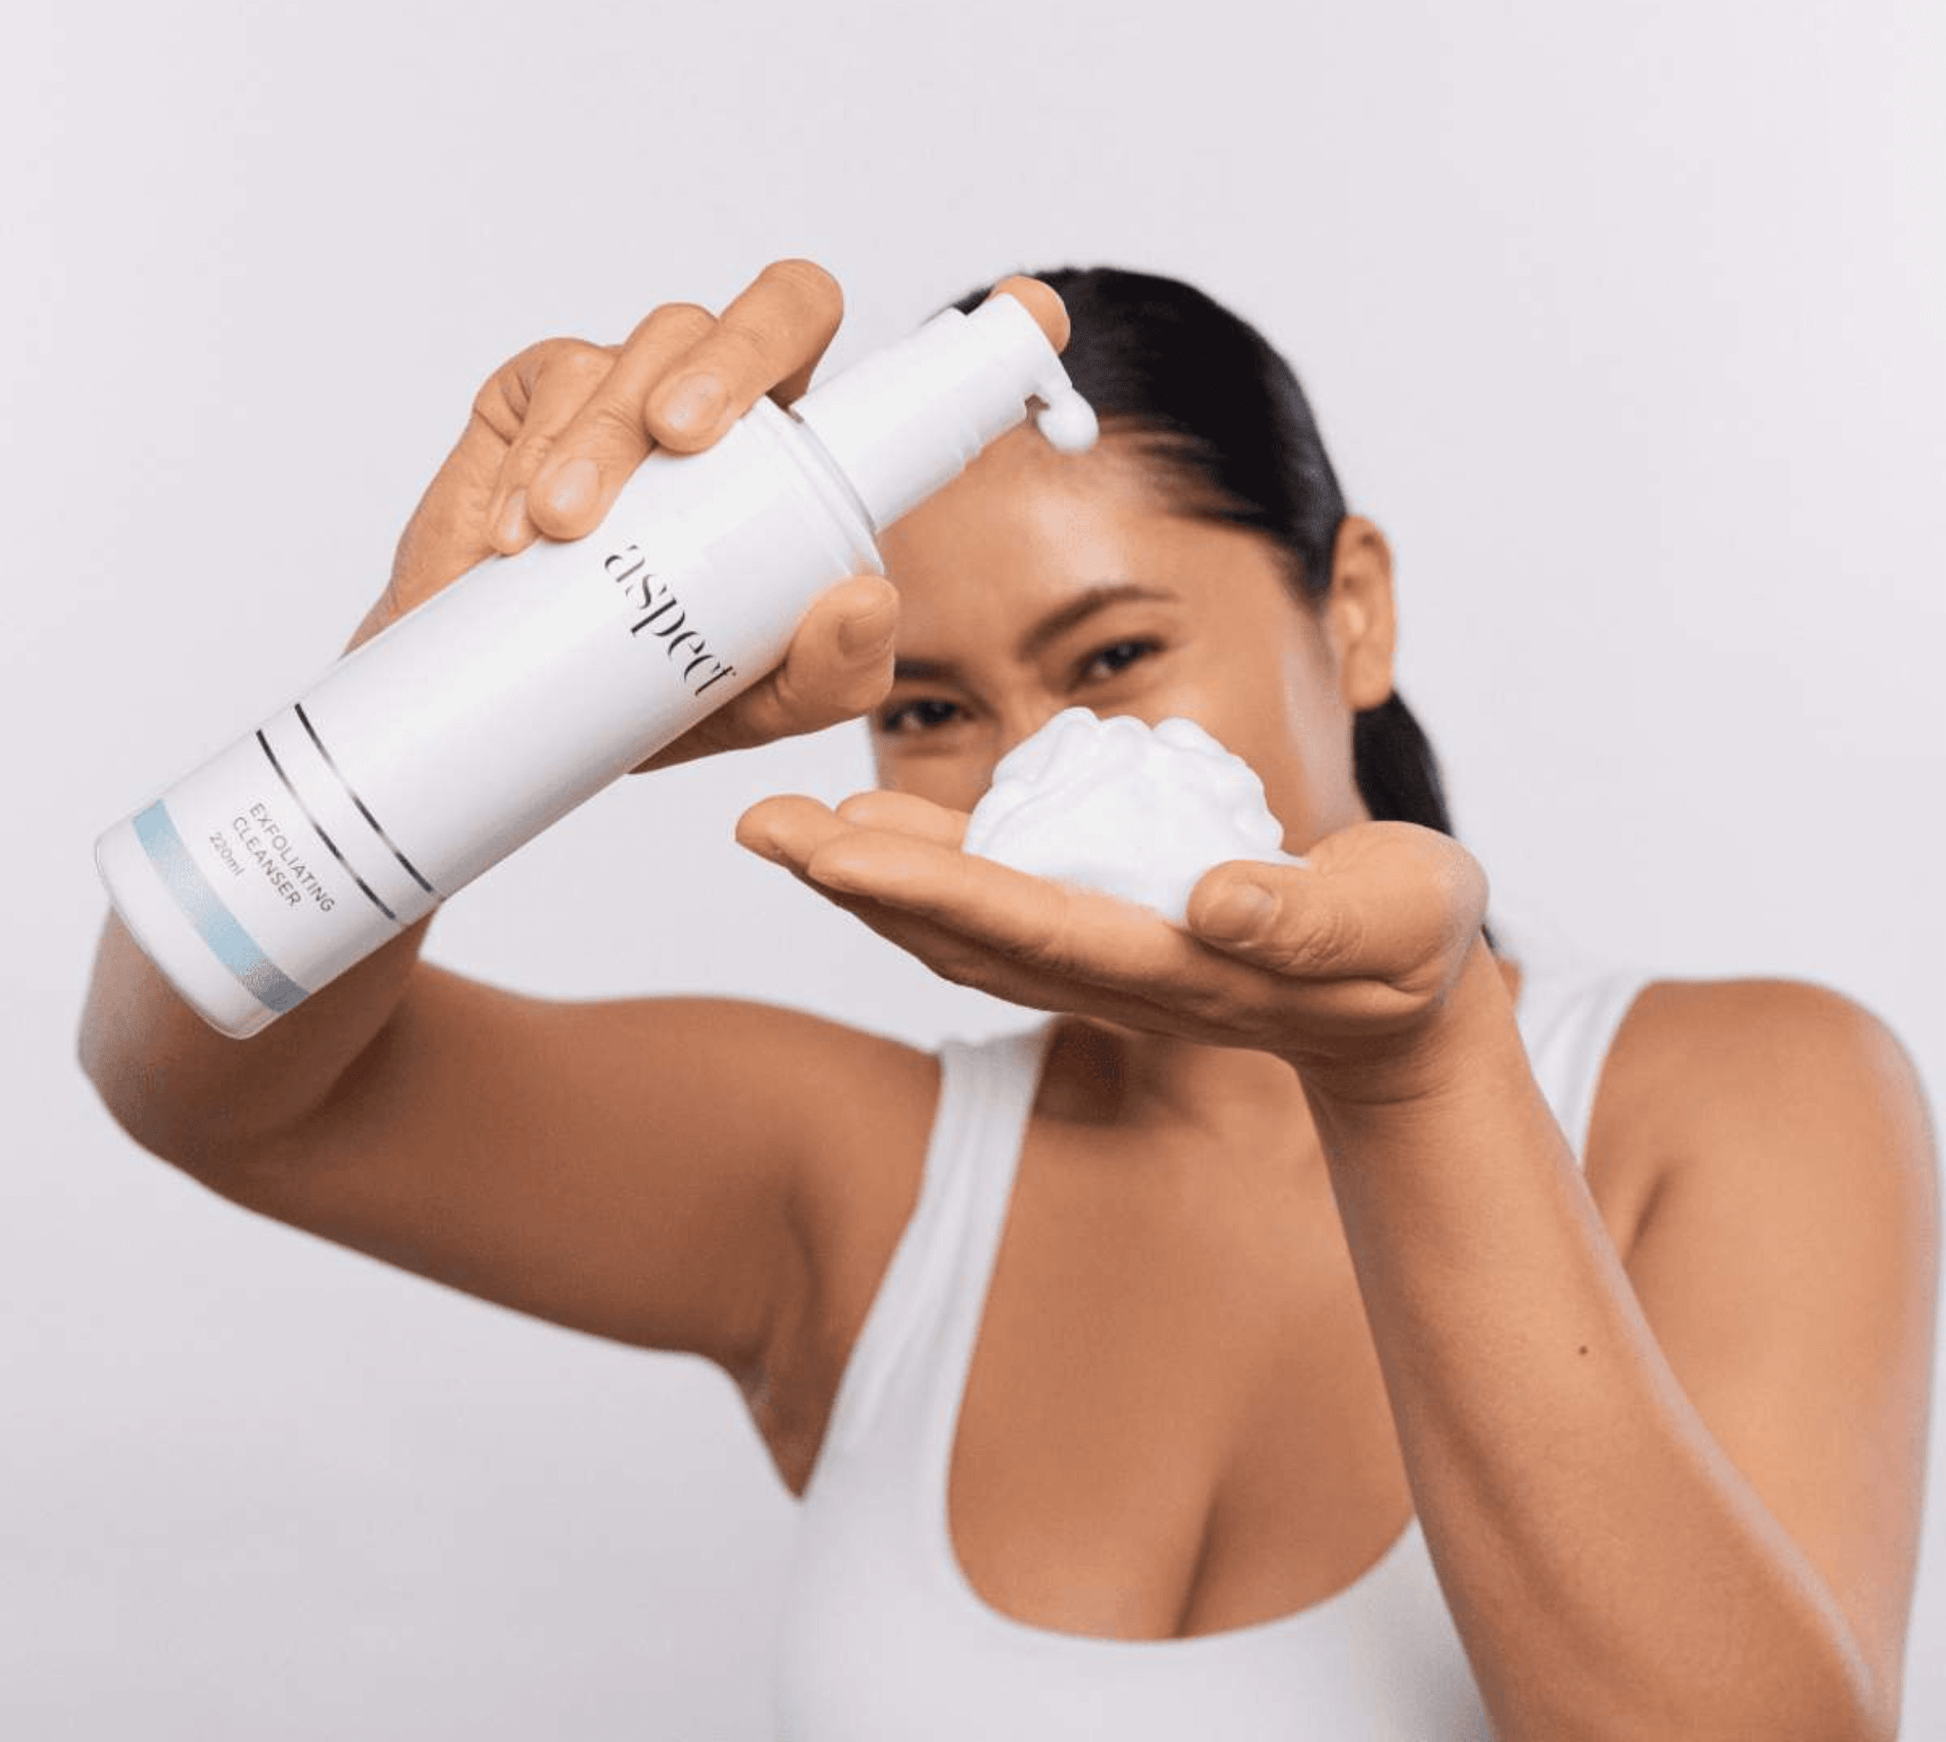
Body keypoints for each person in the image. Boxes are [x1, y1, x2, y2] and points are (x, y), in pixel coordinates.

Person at [79, 259, 1937, 1738]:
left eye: (1115, 654)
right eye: (931, 710)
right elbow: (208, 1071)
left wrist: (1410, 1070)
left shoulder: (1741, 1092)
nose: (1025, 768)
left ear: (1348, 608)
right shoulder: (863, 1182)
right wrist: (460, 685)